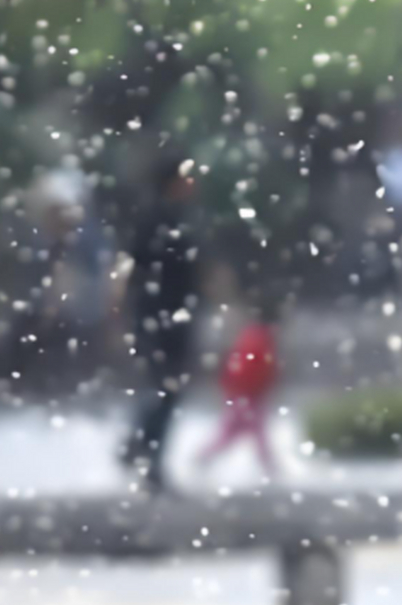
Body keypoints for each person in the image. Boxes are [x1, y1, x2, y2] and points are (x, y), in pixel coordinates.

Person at [120, 156, 202, 493]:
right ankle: (145, 455)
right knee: (164, 387)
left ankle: (140, 449)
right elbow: (136, 271)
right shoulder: (157, 220)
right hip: (159, 316)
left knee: (163, 387)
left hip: (166, 316)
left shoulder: (170, 219)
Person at [197, 300, 281, 480]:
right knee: (250, 433)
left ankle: (204, 458)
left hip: (244, 394)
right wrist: (247, 390)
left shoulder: (255, 337)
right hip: (247, 394)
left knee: (235, 432)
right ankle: (269, 467)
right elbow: (250, 369)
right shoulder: (259, 339)